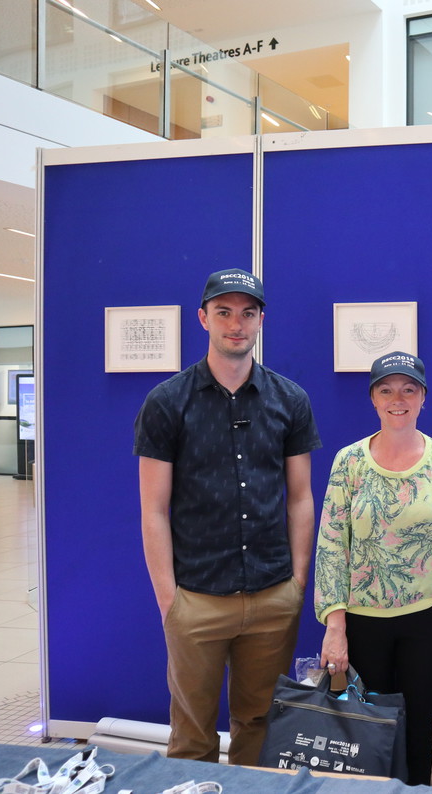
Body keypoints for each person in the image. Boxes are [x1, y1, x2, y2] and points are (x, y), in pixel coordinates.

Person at [134, 268, 321, 765]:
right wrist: (169, 600)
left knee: (260, 726)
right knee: (192, 732)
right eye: (224, 312)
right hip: (196, 597)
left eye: (247, 313)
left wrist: (297, 582)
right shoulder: (167, 403)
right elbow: (153, 509)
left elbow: (300, 498)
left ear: (261, 320)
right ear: (203, 318)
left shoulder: (290, 399)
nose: (236, 324)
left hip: (272, 595)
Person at [315, 351, 432, 785]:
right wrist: (335, 626)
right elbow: (331, 544)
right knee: (367, 729)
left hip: (427, 617)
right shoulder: (349, 462)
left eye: (409, 389)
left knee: (417, 725)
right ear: (373, 398)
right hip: (362, 620)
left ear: (423, 397)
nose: (398, 399)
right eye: (386, 390)